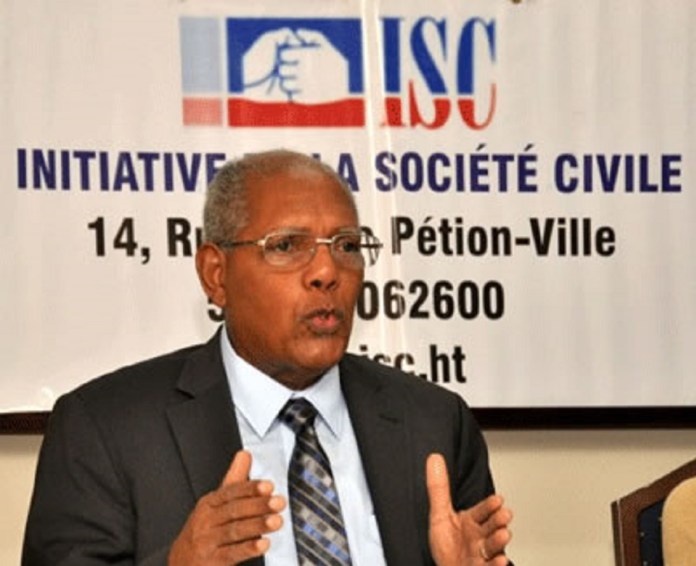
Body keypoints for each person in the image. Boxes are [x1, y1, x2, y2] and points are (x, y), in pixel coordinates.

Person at [22, 149, 513, 566]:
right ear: (216, 274)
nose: (327, 271)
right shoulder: (106, 429)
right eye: (287, 246)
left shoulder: (433, 422)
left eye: (346, 245)